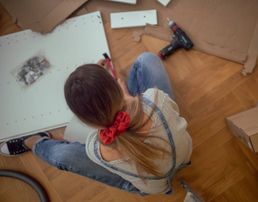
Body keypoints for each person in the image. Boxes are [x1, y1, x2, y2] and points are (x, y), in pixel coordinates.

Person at [0, 52, 192, 195]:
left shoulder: (96, 148)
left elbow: (122, 137)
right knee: (147, 60)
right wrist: (123, 95)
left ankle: (33, 142)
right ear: (116, 86)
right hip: (182, 153)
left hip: (153, 186)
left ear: (85, 121)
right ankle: (35, 142)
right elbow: (139, 120)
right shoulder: (155, 97)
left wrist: (99, 95)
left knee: (62, 154)